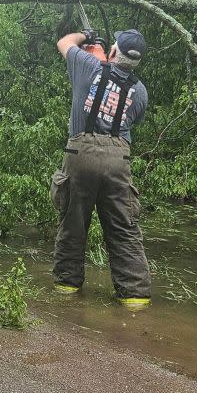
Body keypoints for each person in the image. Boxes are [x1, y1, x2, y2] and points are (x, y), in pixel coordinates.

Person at [50, 27, 151, 309]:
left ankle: (66, 288)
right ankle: (134, 296)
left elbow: (64, 42)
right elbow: (132, 119)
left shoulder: (88, 66)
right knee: (123, 228)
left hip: (80, 154)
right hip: (118, 160)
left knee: (73, 222)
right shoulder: (140, 91)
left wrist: (86, 35)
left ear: (114, 51)